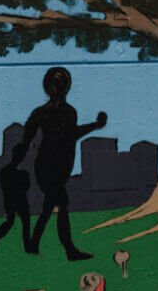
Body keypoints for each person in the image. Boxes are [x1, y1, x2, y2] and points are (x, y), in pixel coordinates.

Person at [21, 67, 107, 261]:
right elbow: (28, 138)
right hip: (48, 167)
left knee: (49, 206)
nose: (59, 89)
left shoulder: (62, 112)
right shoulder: (50, 113)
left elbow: (69, 134)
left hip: (58, 167)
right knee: (61, 202)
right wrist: (95, 125)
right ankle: (69, 251)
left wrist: (95, 125)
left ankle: (34, 244)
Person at [0, 145, 31, 251]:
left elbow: (23, 187)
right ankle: (27, 247)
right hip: (17, 199)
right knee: (20, 222)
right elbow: (26, 187)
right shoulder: (21, 173)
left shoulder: (6, 171)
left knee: (14, 222)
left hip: (12, 200)